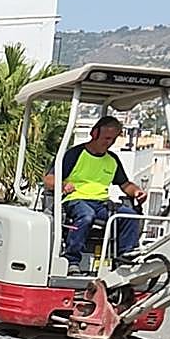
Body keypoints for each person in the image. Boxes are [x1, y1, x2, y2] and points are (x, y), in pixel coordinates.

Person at [45, 116, 148, 271]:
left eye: (113, 139)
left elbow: (125, 184)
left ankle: (126, 256)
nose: (109, 143)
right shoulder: (74, 154)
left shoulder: (112, 160)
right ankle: (72, 259)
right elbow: (48, 179)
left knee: (128, 215)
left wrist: (137, 192)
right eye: (106, 138)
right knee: (86, 216)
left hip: (101, 203)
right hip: (75, 199)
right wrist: (63, 185)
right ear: (94, 133)